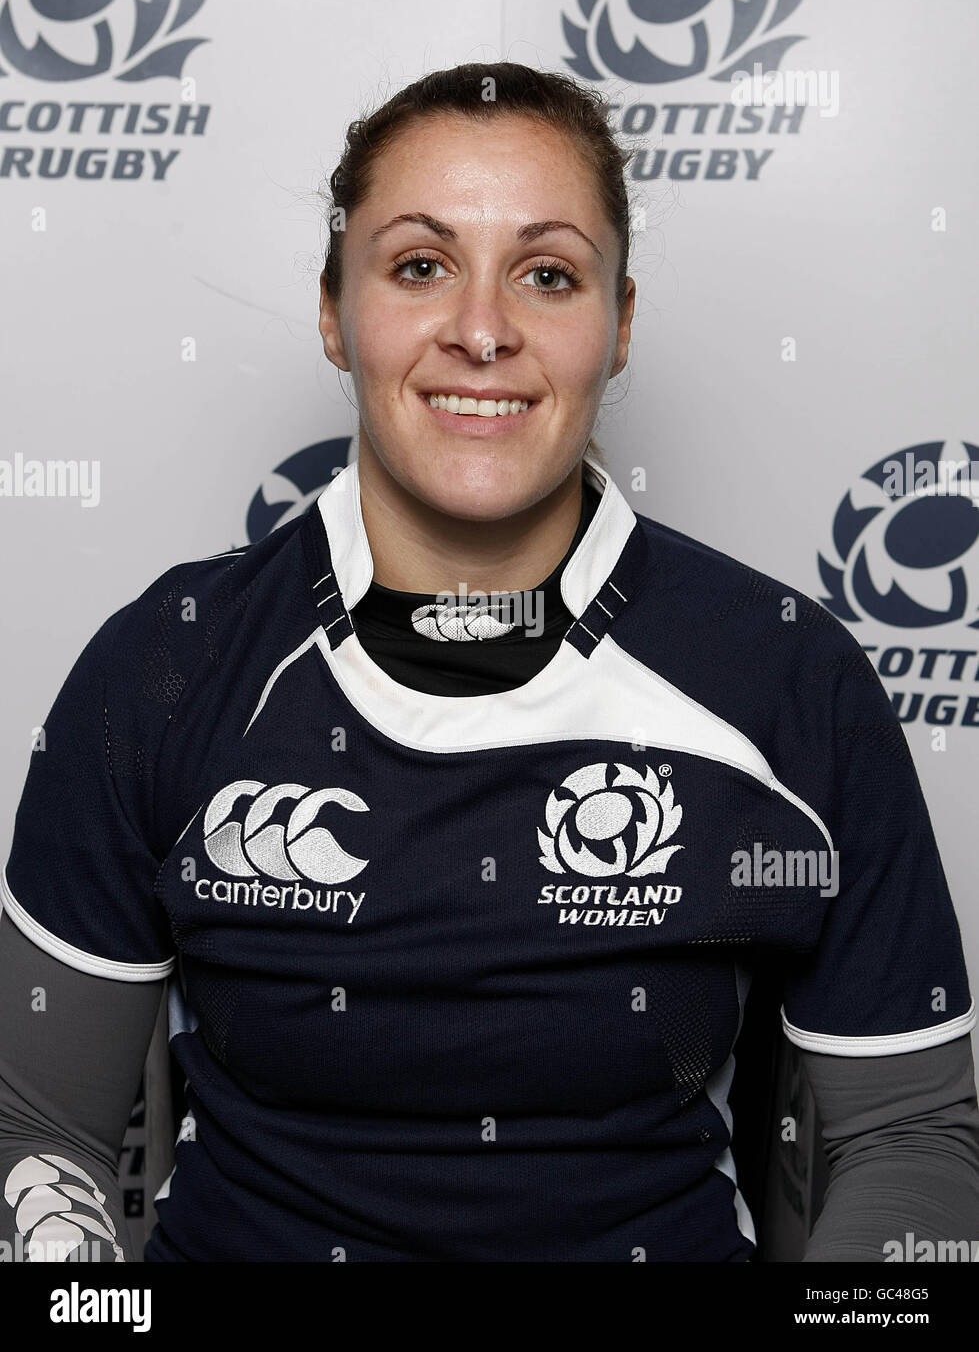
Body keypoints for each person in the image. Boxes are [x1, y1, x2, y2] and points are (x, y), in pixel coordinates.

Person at [2, 61, 978, 1264]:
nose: (481, 330)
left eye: (547, 274)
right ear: (331, 309)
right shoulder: (164, 666)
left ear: (617, 326)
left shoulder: (787, 678)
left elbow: (909, 1135)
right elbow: (40, 1129)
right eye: (420, 266)